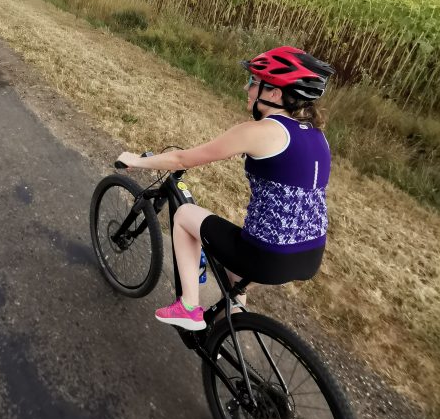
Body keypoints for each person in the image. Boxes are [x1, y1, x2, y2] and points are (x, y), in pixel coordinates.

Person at [116, 47, 335, 330]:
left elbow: (182, 159)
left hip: (266, 256)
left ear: (274, 93)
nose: (247, 87)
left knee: (184, 216)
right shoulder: (318, 137)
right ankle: (225, 333)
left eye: (255, 82)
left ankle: (189, 308)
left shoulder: (259, 132)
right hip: (308, 256)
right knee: (234, 279)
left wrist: (136, 160)